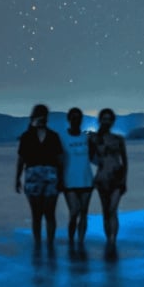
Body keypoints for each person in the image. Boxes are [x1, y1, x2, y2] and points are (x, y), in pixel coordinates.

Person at [14, 103, 63, 248]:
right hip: (33, 176)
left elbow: (59, 160)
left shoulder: (53, 136)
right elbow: (21, 159)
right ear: (34, 117)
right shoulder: (26, 137)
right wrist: (17, 178)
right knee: (36, 214)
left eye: (44, 116)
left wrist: (61, 179)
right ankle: (37, 244)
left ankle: (50, 244)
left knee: (49, 213)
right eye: (39, 116)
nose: (42, 118)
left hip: (51, 176)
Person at [90, 108, 127, 249]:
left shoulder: (118, 139)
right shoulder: (95, 139)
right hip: (102, 178)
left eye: (109, 119)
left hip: (117, 177)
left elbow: (125, 161)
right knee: (106, 211)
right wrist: (99, 161)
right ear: (100, 120)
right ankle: (108, 239)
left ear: (112, 121)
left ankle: (113, 240)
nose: (106, 122)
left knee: (113, 209)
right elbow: (90, 157)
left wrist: (124, 180)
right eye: (104, 119)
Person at [60, 106, 95, 248]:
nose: (76, 120)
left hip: (86, 179)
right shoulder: (62, 137)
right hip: (69, 180)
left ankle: (80, 242)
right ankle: (71, 240)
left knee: (84, 213)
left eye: (78, 118)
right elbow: (59, 160)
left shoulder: (86, 137)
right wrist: (59, 179)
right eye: (73, 118)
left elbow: (93, 157)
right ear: (69, 119)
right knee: (74, 211)